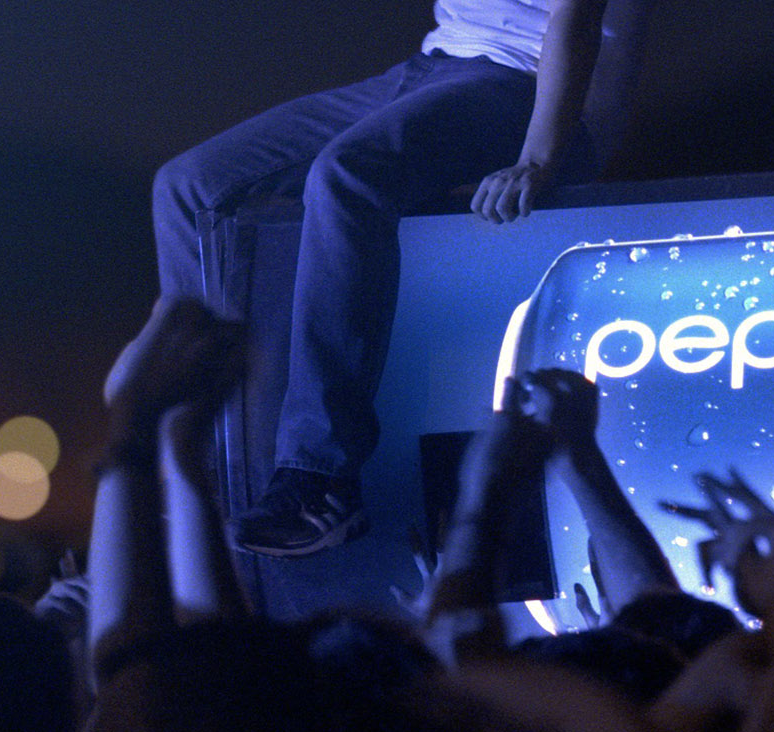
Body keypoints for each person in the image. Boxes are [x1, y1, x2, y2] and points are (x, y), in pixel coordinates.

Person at [144, 0, 617, 556]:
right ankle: (204, 452)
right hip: (429, 68)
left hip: (518, 83)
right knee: (189, 186)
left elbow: (576, 21)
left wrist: (538, 158)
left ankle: (320, 478)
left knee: (348, 174)